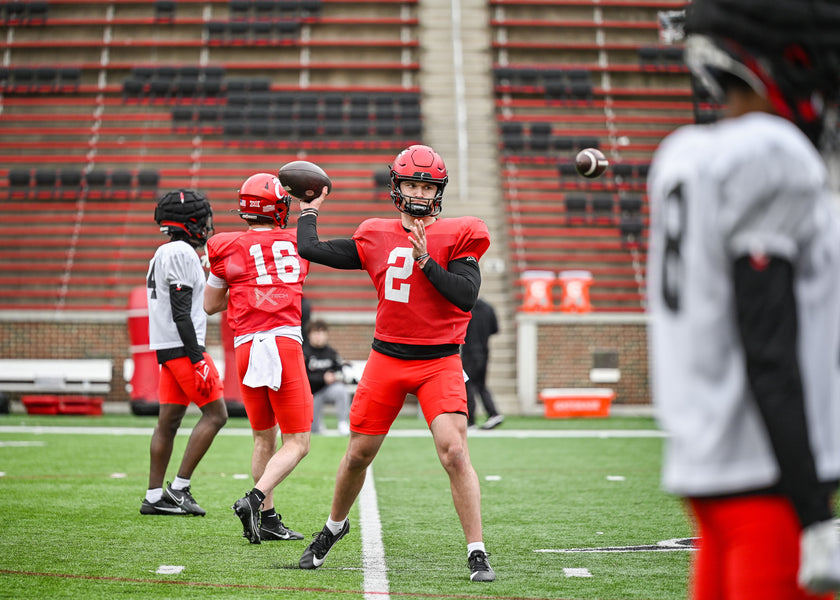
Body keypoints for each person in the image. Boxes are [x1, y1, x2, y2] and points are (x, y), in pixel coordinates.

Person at [646, 0, 840, 597]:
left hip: (710, 467)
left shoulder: (683, 154)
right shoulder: (769, 154)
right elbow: (769, 342)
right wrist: (813, 511)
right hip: (769, 476)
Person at [295, 144, 496, 582]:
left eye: (427, 185)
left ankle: (477, 549)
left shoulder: (458, 234)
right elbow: (310, 249)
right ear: (397, 187)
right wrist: (309, 209)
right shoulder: (375, 234)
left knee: (455, 451)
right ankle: (333, 527)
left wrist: (425, 259)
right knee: (357, 456)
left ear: (438, 190)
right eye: (412, 183)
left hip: (439, 360)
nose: (420, 192)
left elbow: (465, 295)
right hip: (387, 358)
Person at [204, 172, 312, 544]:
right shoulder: (295, 242)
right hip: (282, 341)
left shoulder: (224, 245)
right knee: (298, 442)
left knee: (263, 437)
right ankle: (253, 501)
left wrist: (239, 287)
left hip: (246, 345)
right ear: (278, 209)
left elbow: (210, 305)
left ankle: (267, 518)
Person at [141, 189, 228, 516]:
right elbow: (181, 311)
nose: (207, 224)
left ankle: (153, 497)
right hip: (183, 349)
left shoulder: (166, 251)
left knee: (169, 421)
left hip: (169, 348)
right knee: (217, 414)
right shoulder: (180, 253)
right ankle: (179, 488)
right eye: (202, 218)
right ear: (189, 221)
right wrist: (197, 358)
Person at [461, 297, 503, 430]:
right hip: (484, 351)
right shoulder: (488, 307)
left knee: (468, 386)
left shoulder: (467, 308)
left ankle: (471, 420)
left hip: (469, 352)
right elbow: (495, 329)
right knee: (481, 385)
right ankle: (493, 413)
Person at [304, 319, 351, 435]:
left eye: (321, 333)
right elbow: (303, 377)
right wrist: (322, 378)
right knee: (314, 430)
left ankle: (343, 423)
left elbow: (339, 370)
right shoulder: (304, 352)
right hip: (310, 394)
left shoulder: (331, 352)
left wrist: (335, 376)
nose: (319, 336)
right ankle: (317, 424)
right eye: (316, 333)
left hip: (327, 389)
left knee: (340, 390)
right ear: (309, 335)